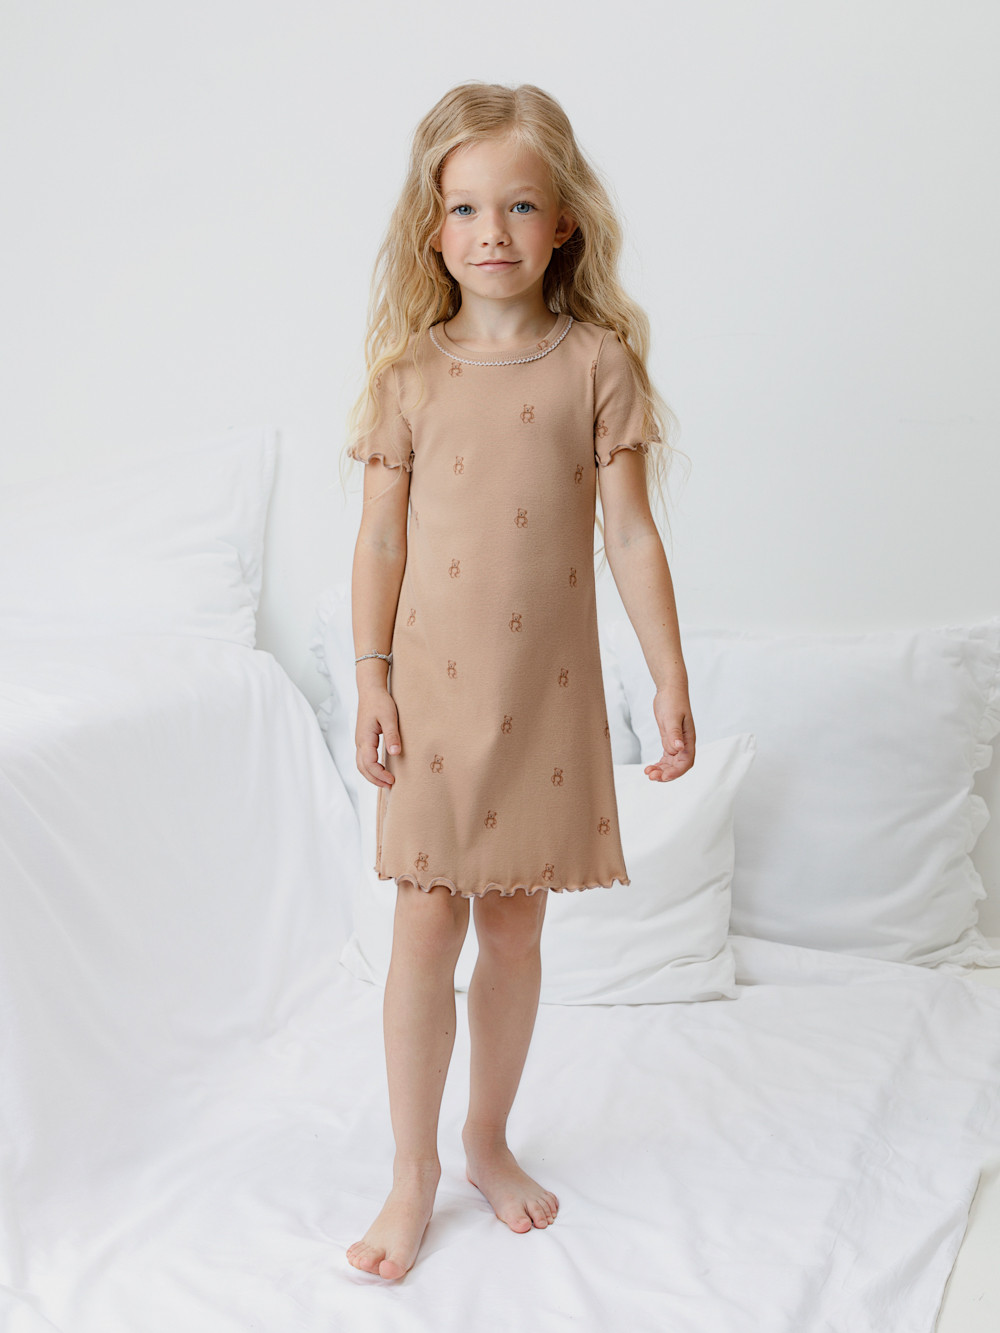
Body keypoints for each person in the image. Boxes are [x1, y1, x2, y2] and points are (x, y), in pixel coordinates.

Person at [343, 81, 695, 1282]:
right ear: (432, 227)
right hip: (431, 696)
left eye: (519, 205)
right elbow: (378, 540)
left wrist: (667, 676)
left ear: (564, 223)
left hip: (541, 695)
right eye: (464, 208)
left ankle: (486, 1139)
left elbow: (630, 535)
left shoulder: (597, 364)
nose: (491, 230)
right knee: (422, 921)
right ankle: (411, 1170)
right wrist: (371, 677)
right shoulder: (408, 377)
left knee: (512, 925)